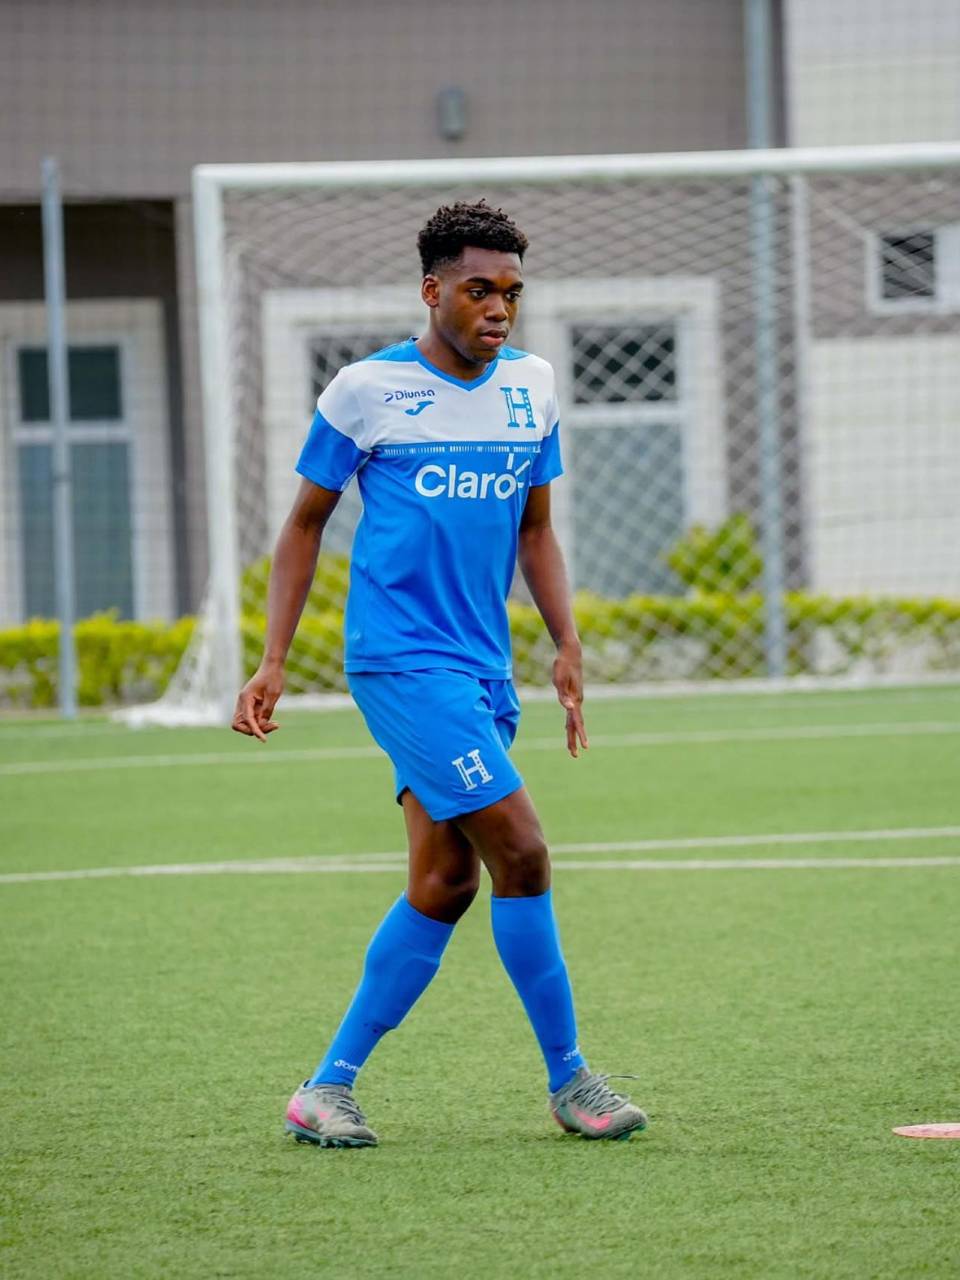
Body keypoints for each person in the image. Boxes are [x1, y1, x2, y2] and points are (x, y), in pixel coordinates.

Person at [233, 199, 647, 1147]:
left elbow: (535, 529)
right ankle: (571, 1078)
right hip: (400, 663)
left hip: (481, 669)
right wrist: (271, 662)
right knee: (526, 852)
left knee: (444, 880)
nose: (498, 308)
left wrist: (565, 641)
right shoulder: (366, 390)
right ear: (432, 291)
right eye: (478, 290)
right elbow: (303, 528)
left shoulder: (532, 386)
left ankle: (323, 1088)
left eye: (510, 292)